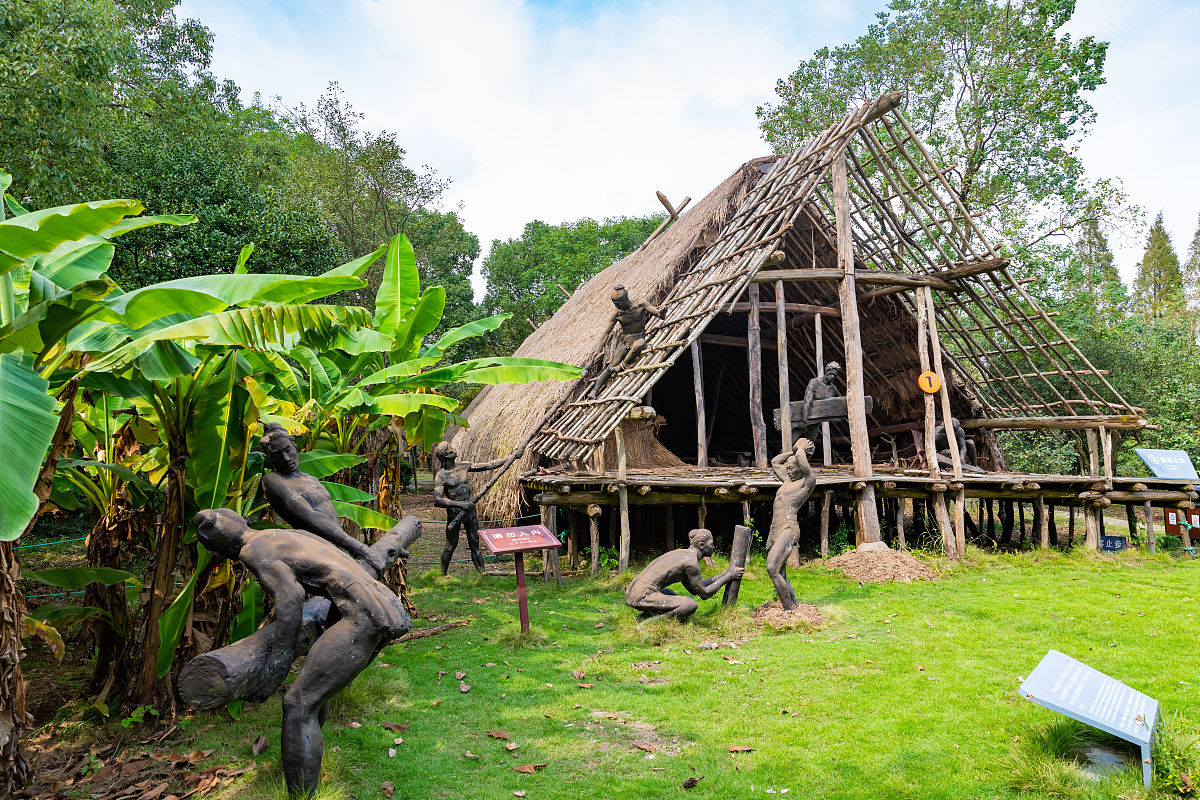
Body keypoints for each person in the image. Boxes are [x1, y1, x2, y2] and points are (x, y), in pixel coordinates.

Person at [194, 508, 413, 799]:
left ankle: (302, 795)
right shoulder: (280, 534)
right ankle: (305, 774)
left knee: (298, 704)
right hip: (383, 605)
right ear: (242, 521)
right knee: (313, 694)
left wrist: (276, 667)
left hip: (364, 615)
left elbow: (291, 598)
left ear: (217, 550)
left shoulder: (252, 549)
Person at [259, 423, 387, 576]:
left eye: (288, 450)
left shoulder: (310, 479)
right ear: (269, 458)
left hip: (338, 547)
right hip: (320, 552)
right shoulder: (273, 481)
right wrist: (359, 548)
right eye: (276, 455)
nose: (286, 458)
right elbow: (309, 516)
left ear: (295, 447)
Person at [432, 440, 523, 574]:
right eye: (449, 448)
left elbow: (489, 465)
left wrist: (512, 457)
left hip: (470, 512)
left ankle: (482, 574)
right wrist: (460, 504)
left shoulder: (463, 466)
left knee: (475, 544)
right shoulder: (441, 475)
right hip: (455, 513)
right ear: (445, 455)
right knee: (450, 546)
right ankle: (442, 574)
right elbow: (437, 500)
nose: (453, 448)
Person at [624, 528, 744, 622]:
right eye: (711, 544)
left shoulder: (682, 554)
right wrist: (729, 576)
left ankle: (642, 618)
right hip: (642, 595)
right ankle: (649, 623)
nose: (713, 547)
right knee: (689, 605)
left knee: (670, 594)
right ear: (701, 545)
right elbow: (705, 593)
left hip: (633, 590)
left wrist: (725, 573)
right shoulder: (691, 563)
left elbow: (694, 589)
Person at [765, 438, 817, 610]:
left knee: (772, 567)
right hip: (775, 529)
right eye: (787, 468)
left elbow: (803, 461)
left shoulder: (806, 483)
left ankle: (789, 609)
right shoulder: (788, 480)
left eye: (791, 468)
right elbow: (775, 462)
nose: (788, 471)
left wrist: (800, 449)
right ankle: (792, 601)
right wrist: (792, 452)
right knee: (780, 570)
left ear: (800, 468)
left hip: (788, 528)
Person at [588, 285, 665, 396]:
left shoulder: (641, 304)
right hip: (625, 341)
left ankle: (621, 366)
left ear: (625, 299)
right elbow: (606, 333)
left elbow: (660, 315)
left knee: (639, 345)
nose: (616, 306)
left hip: (639, 338)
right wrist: (597, 350)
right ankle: (594, 390)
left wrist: (662, 311)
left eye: (618, 303)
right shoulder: (617, 313)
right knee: (611, 367)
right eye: (615, 303)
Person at [797, 361, 842, 441]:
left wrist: (834, 418)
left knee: (809, 443)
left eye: (834, 375)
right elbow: (806, 401)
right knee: (792, 441)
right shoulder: (814, 382)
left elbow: (829, 408)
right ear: (826, 371)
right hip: (803, 418)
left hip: (816, 422)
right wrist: (804, 419)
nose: (832, 376)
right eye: (831, 373)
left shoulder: (833, 389)